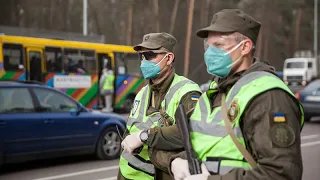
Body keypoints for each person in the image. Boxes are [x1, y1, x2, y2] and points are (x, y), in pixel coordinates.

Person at [169, 9, 304, 180]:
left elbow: (280, 174)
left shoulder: (268, 95)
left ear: (245, 47)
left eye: (218, 45)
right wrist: (177, 160)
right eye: (208, 46)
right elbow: (203, 145)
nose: (209, 53)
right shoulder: (214, 90)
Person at [117, 32, 202, 180]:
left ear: (168, 58)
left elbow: (191, 133)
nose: (144, 61)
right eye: (141, 56)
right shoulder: (142, 93)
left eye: (149, 55)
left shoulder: (187, 91)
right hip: (127, 174)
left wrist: (144, 136)